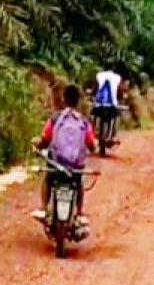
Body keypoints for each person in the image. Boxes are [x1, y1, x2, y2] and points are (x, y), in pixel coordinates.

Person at [32, 84, 96, 224]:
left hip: (56, 164)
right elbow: (92, 145)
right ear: (78, 100)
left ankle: (43, 208)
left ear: (63, 99)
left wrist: (37, 146)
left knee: (48, 179)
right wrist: (92, 148)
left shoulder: (55, 119)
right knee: (78, 183)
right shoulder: (84, 122)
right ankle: (79, 213)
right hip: (75, 166)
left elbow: (45, 140)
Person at [91, 65, 126, 147]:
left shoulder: (99, 75)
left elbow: (95, 88)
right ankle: (114, 135)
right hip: (112, 105)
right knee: (117, 116)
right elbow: (119, 91)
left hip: (99, 104)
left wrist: (93, 94)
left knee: (93, 115)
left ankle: (92, 132)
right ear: (113, 70)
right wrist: (121, 97)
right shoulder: (117, 77)